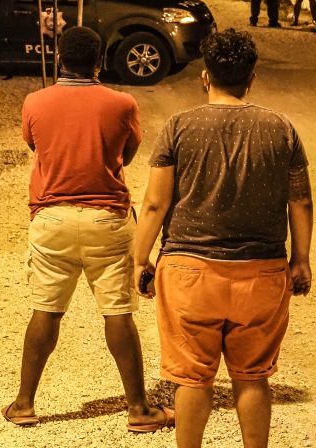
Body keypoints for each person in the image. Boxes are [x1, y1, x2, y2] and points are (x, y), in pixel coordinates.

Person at [133, 29, 312, 448]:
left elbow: (156, 204)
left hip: (189, 273)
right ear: (252, 77)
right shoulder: (281, 128)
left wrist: (141, 258)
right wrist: (301, 260)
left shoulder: (178, 127)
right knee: (252, 378)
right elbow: (300, 202)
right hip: (261, 273)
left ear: (205, 76)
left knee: (192, 379)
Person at [2, 27, 173, 433]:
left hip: (51, 217)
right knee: (117, 311)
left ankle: (25, 403)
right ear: (99, 61)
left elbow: (35, 147)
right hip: (106, 218)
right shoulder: (122, 103)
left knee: (45, 309)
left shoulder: (34, 102)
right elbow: (126, 154)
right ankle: (138, 409)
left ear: (60, 58)